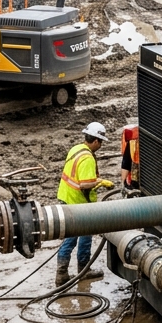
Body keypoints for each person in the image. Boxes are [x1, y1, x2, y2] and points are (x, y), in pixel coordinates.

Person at [56, 122, 111, 287]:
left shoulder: (76, 149)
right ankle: (79, 270)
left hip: (67, 197)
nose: (101, 146)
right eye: (101, 142)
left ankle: (63, 273)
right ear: (96, 140)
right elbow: (84, 184)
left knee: (70, 236)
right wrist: (100, 182)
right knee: (81, 236)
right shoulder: (87, 157)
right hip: (79, 204)